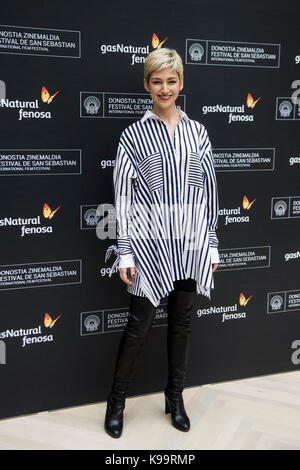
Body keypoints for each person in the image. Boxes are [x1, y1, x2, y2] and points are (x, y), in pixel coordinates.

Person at [104, 47, 220, 438]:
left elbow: (209, 192)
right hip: (149, 245)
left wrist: (212, 242)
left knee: (182, 324)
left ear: (181, 83)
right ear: (146, 85)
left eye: (171, 80)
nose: (165, 88)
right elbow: (122, 197)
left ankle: (175, 398)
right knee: (138, 327)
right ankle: (116, 400)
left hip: (189, 243)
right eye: (157, 81)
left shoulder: (198, 131)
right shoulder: (132, 136)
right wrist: (125, 249)